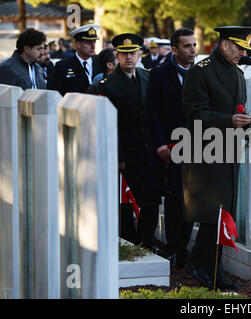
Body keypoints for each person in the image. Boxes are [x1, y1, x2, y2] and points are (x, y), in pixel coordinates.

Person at [182, 25, 251, 290]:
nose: (243, 53)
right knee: (211, 216)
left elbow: (236, 112)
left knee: (222, 216)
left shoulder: (238, 73)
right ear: (225, 44)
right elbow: (194, 114)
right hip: (205, 153)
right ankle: (205, 268)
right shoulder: (201, 72)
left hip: (229, 153)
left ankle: (209, 267)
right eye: (239, 48)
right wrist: (228, 121)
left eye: (245, 49)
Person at [88, 33, 164, 251]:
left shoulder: (147, 76)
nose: (128, 58)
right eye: (123, 54)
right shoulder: (107, 85)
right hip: (125, 151)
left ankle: (146, 241)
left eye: (132, 53)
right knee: (125, 200)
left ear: (140, 54)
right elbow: (107, 124)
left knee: (150, 199)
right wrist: (118, 155)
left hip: (148, 149)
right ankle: (128, 242)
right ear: (117, 56)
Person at [147, 28, 196, 269]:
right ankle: (173, 247)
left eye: (194, 45)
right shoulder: (158, 75)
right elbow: (152, 114)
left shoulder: (200, 73)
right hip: (171, 146)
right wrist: (159, 144)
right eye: (187, 46)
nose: (193, 50)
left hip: (199, 146)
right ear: (174, 49)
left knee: (191, 198)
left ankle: (184, 246)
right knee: (175, 197)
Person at [50, 24, 102, 96]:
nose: (93, 46)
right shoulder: (62, 66)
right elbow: (57, 95)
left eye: (94, 42)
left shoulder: (100, 63)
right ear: (78, 44)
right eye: (88, 43)